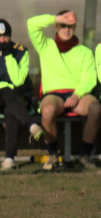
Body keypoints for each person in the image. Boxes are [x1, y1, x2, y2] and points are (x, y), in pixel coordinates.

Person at [27, 10, 100, 170]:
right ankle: (53, 155)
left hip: (77, 93)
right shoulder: (46, 46)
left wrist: (77, 94)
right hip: (54, 94)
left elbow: (89, 79)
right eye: (62, 26)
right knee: (47, 110)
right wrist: (56, 18)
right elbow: (31, 24)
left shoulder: (85, 52)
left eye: (70, 26)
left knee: (95, 108)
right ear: (56, 27)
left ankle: (85, 155)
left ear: (74, 28)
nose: (67, 30)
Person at [0, 18, 43, 170]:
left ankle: (9, 159)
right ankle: (31, 124)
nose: (2, 40)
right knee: (7, 94)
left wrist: (8, 56)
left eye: (5, 36)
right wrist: (6, 86)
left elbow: (19, 80)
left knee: (11, 109)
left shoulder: (20, 52)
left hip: (17, 100)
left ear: (10, 37)